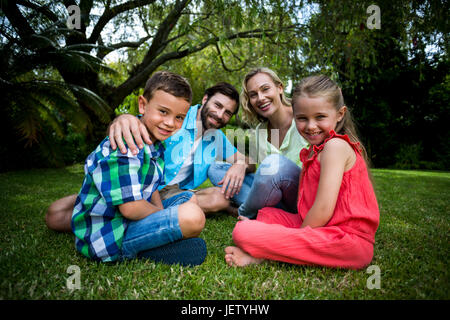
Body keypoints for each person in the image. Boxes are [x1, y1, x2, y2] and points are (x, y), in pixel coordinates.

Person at [45, 82, 255, 232]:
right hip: (140, 183)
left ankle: (152, 212)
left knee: (219, 198)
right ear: (206, 99)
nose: (220, 115)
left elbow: (251, 161)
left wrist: (240, 165)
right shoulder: (176, 118)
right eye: (218, 106)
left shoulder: (217, 138)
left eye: (228, 112)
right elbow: (143, 121)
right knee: (55, 216)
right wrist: (123, 118)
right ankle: (108, 197)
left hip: (170, 192)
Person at [225, 75, 380, 270]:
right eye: (302, 118)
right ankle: (276, 245)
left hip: (348, 241)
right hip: (323, 226)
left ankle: (265, 254)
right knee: (266, 214)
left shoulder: (335, 147)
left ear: (340, 114)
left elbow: (322, 210)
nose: (310, 126)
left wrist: (294, 236)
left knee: (243, 233)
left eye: (320, 117)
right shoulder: (317, 149)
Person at [70, 71, 207, 266]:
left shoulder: (156, 145)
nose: (170, 123)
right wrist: (166, 219)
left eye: (179, 117)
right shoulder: (127, 144)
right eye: (163, 112)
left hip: (131, 219)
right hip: (110, 236)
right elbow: (130, 208)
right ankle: (142, 250)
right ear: (143, 105)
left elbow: (152, 189)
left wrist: (162, 216)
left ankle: (154, 241)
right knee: (192, 217)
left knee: (189, 199)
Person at [208, 67, 309, 219]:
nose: (260, 98)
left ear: (279, 88)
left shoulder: (304, 120)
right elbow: (255, 166)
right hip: (272, 198)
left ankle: (243, 212)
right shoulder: (259, 131)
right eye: (253, 95)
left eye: (265, 89)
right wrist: (241, 164)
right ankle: (267, 212)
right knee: (216, 169)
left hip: (301, 198)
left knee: (275, 163)